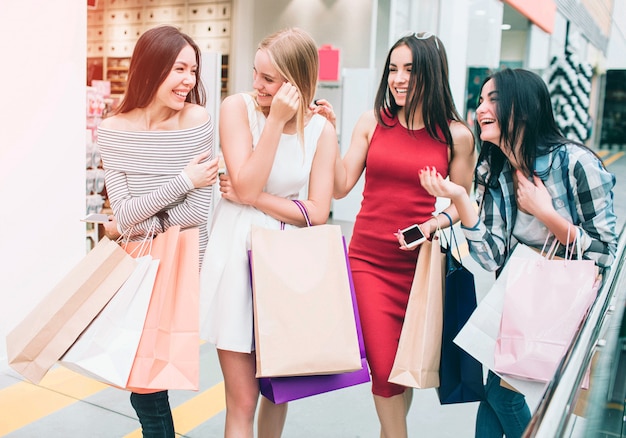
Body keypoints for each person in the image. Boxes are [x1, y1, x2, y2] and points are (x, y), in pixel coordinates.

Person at [418, 68, 618, 437]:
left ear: (523, 109)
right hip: (515, 305)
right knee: (496, 397)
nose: (481, 109)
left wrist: (547, 214)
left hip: (561, 307)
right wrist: (461, 198)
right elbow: (489, 258)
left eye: (493, 99)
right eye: (480, 100)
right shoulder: (492, 169)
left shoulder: (576, 164)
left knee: (502, 397)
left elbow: (607, 253)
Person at [329, 32, 476, 437]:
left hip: (419, 268)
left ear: (432, 72)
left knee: (402, 368)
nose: (399, 78)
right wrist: (329, 135)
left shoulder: (456, 136)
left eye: (410, 69)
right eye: (393, 69)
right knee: (383, 367)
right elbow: (340, 186)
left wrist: (435, 222)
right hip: (368, 262)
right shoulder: (373, 121)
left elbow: (461, 205)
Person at [199, 28, 338, 437]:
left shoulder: (321, 130)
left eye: (269, 79)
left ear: (296, 83)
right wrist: (275, 122)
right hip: (237, 261)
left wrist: (254, 198)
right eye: (256, 74)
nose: (257, 85)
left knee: (279, 393)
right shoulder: (236, 108)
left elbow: (316, 212)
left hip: (287, 265)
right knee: (241, 399)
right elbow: (243, 184)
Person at [97, 25, 219, 437]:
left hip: (184, 266)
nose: (189, 81)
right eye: (179, 69)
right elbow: (126, 213)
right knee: (144, 384)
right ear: (150, 68)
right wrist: (183, 180)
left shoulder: (197, 119)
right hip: (138, 269)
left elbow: (199, 211)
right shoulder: (112, 131)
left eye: (193, 71)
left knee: (149, 385)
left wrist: (141, 219)